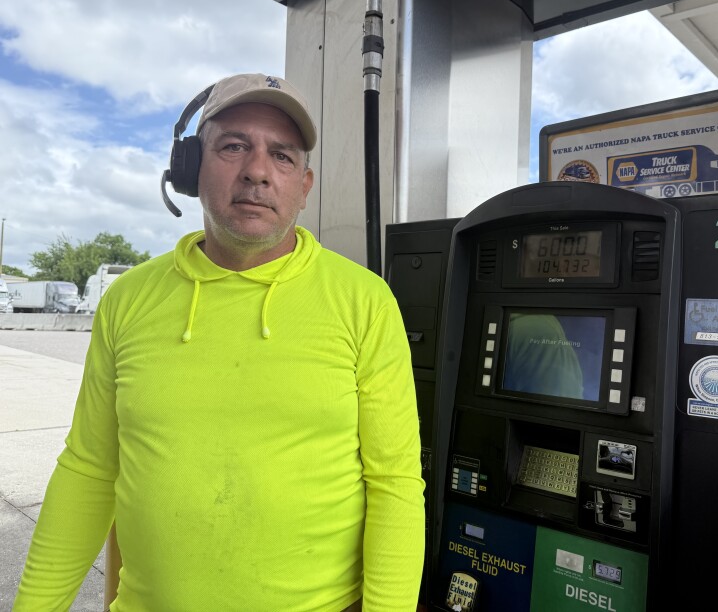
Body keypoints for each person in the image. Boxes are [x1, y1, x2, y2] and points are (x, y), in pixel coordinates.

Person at [13, 74, 426, 611]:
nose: (257, 171)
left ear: (305, 184)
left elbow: (395, 484)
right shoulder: (129, 299)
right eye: (233, 146)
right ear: (190, 170)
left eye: (282, 156)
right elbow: (89, 469)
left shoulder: (366, 302)